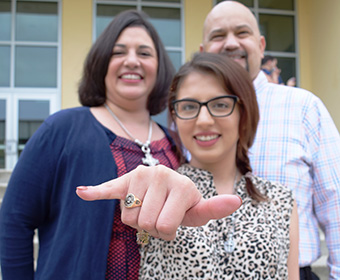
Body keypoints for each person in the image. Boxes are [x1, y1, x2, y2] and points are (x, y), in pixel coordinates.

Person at [0, 10, 242, 280]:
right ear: (102, 62)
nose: (131, 61)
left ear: (159, 67)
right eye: (118, 52)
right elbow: (14, 221)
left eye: (144, 53)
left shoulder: (177, 141)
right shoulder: (61, 129)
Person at [200, 1, 340, 279]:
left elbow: (335, 202)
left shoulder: (303, 107)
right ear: (203, 52)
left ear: (261, 45)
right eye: (218, 36)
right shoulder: (188, 115)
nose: (230, 43)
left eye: (242, 33)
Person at [137, 52, 299, 279]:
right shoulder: (159, 191)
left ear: (244, 112)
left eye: (221, 104)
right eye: (189, 106)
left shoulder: (280, 201)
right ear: (175, 113)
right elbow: (141, 249)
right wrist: (134, 207)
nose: (203, 120)